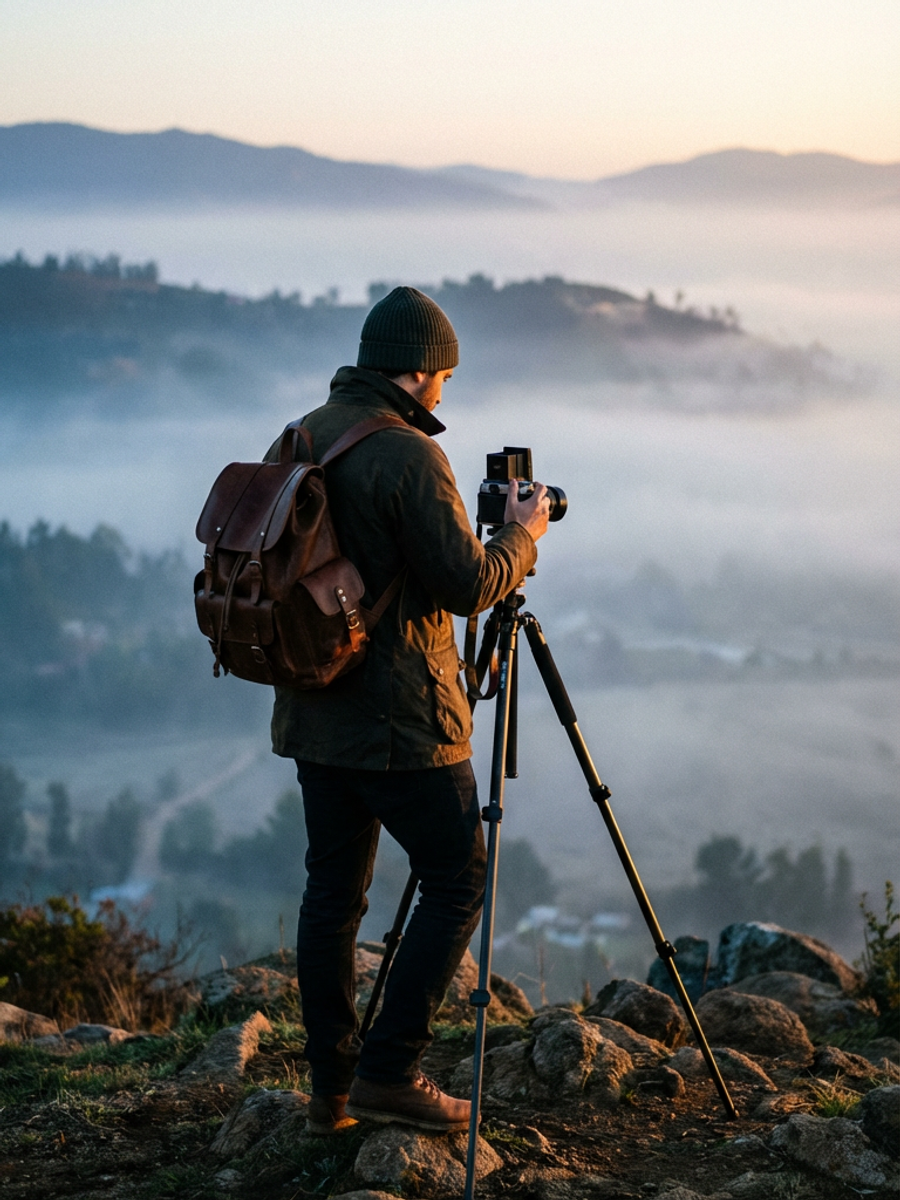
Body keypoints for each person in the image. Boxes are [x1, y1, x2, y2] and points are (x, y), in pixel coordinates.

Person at [270, 286, 549, 1135]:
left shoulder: (305, 432)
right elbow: (468, 585)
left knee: (332, 896)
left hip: (315, 708)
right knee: (459, 877)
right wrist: (523, 535)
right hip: (402, 721)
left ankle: (333, 1093)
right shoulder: (410, 457)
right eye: (445, 379)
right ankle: (391, 1072)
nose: (443, 394)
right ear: (423, 370)